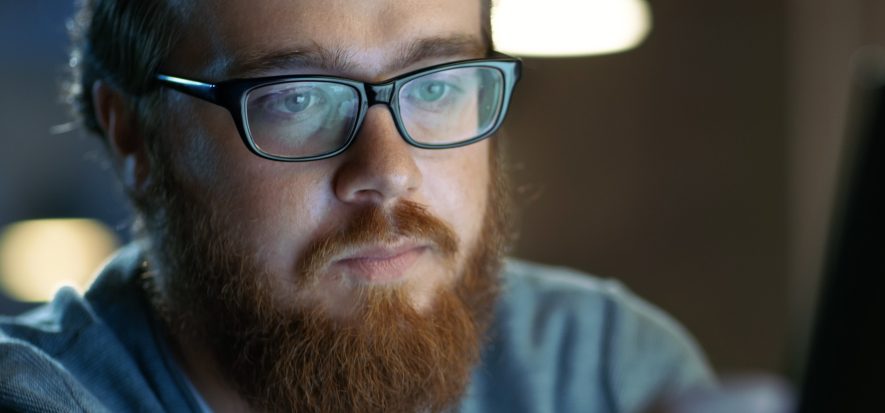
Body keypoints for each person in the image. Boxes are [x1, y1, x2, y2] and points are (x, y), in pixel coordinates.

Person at [0, 0, 716, 411]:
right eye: (297, 99)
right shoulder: (39, 396)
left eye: (437, 85)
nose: (389, 172)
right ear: (135, 138)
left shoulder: (604, 369)